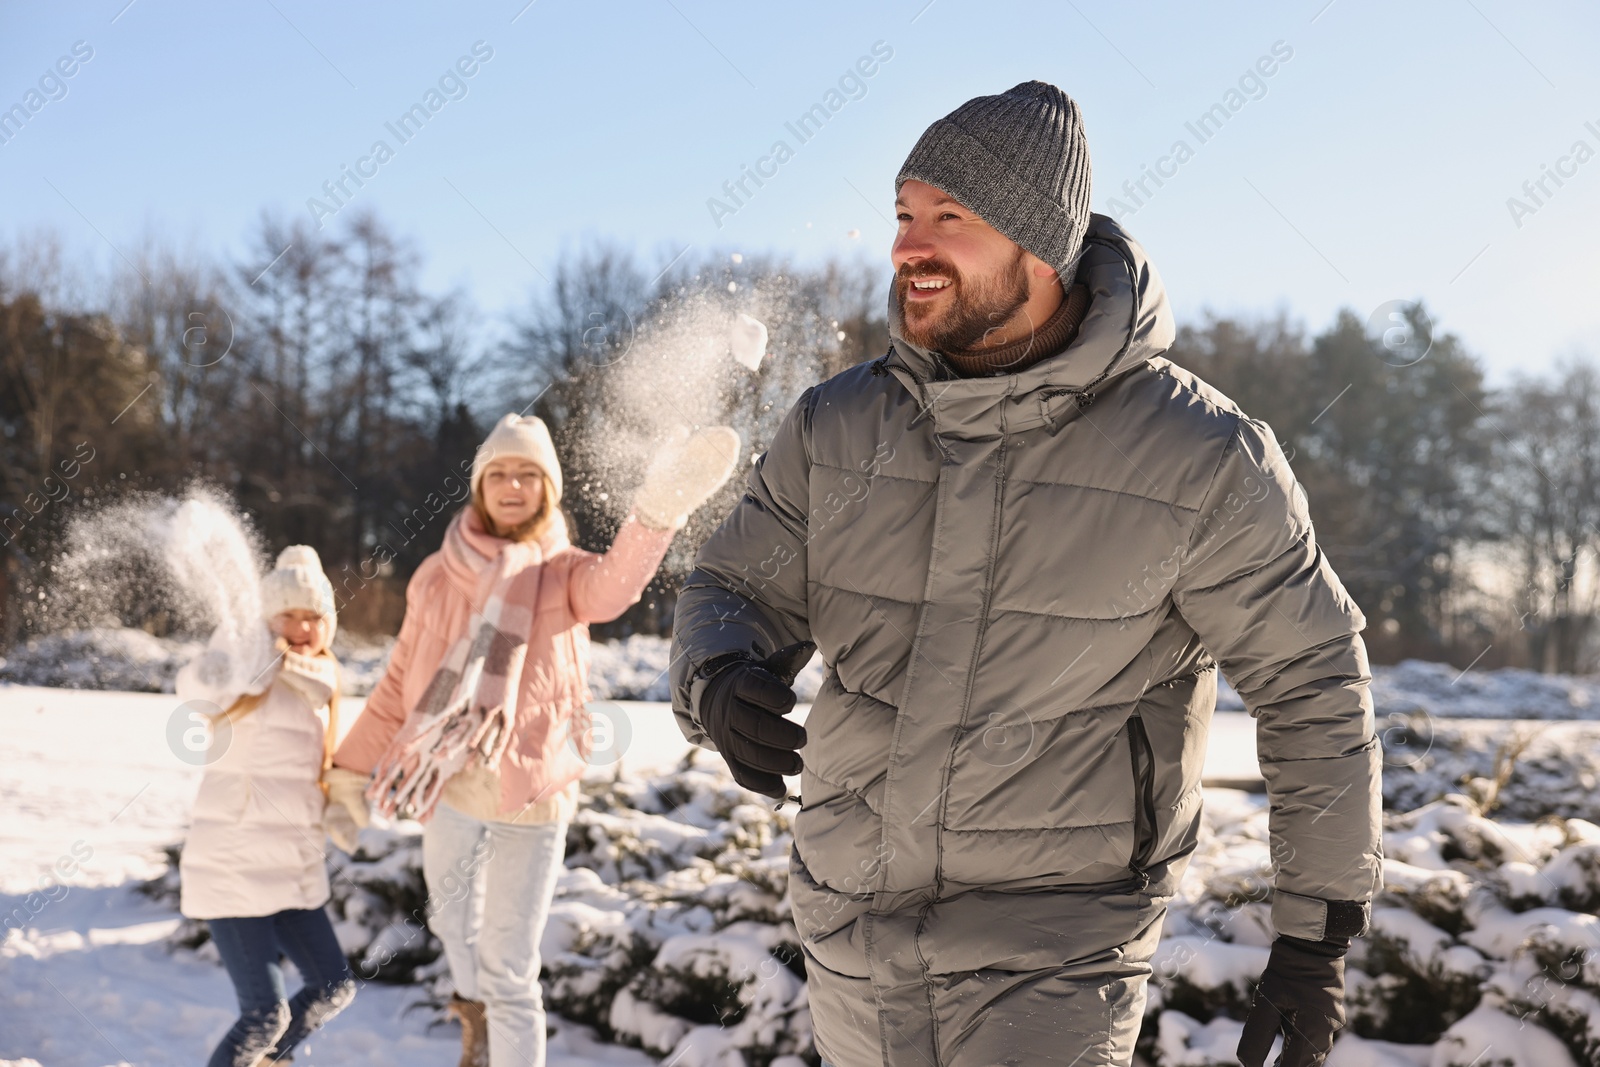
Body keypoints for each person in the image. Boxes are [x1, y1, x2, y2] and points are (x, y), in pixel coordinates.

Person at [669, 81, 1381, 1067]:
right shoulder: (838, 425)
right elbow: (730, 589)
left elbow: (1315, 684)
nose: (906, 247)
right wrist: (714, 677)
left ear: (1039, 245)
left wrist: (1314, 938)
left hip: (1056, 948)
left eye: (948, 218)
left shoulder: (1200, 455)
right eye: (903, 215)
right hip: (845, 930)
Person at [326, 413, 738, 1067]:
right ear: (479, 486)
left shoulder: (567, 571)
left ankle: (498, 1026)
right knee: (450, 924)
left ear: (548, 489)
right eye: (499, 473)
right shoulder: (437, 575)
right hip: (451, 780)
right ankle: (473, 1012)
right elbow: (399, 682)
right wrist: (348, 773)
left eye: (529, 474)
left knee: (510, 968)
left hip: (531, 792)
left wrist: (655, 513)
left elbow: (616, 588)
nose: (513, 484)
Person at [178, 545, 357, 1067]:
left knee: (332, 987)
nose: (302, 628)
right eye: (288, 615)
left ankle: (267, 1064)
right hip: (235, 867)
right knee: (263, 1016)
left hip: (291, 868)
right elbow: (198, 685)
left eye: (313, 617)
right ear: (267, 619)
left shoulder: (322, 682)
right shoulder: (250, 663)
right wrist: (215, 668)